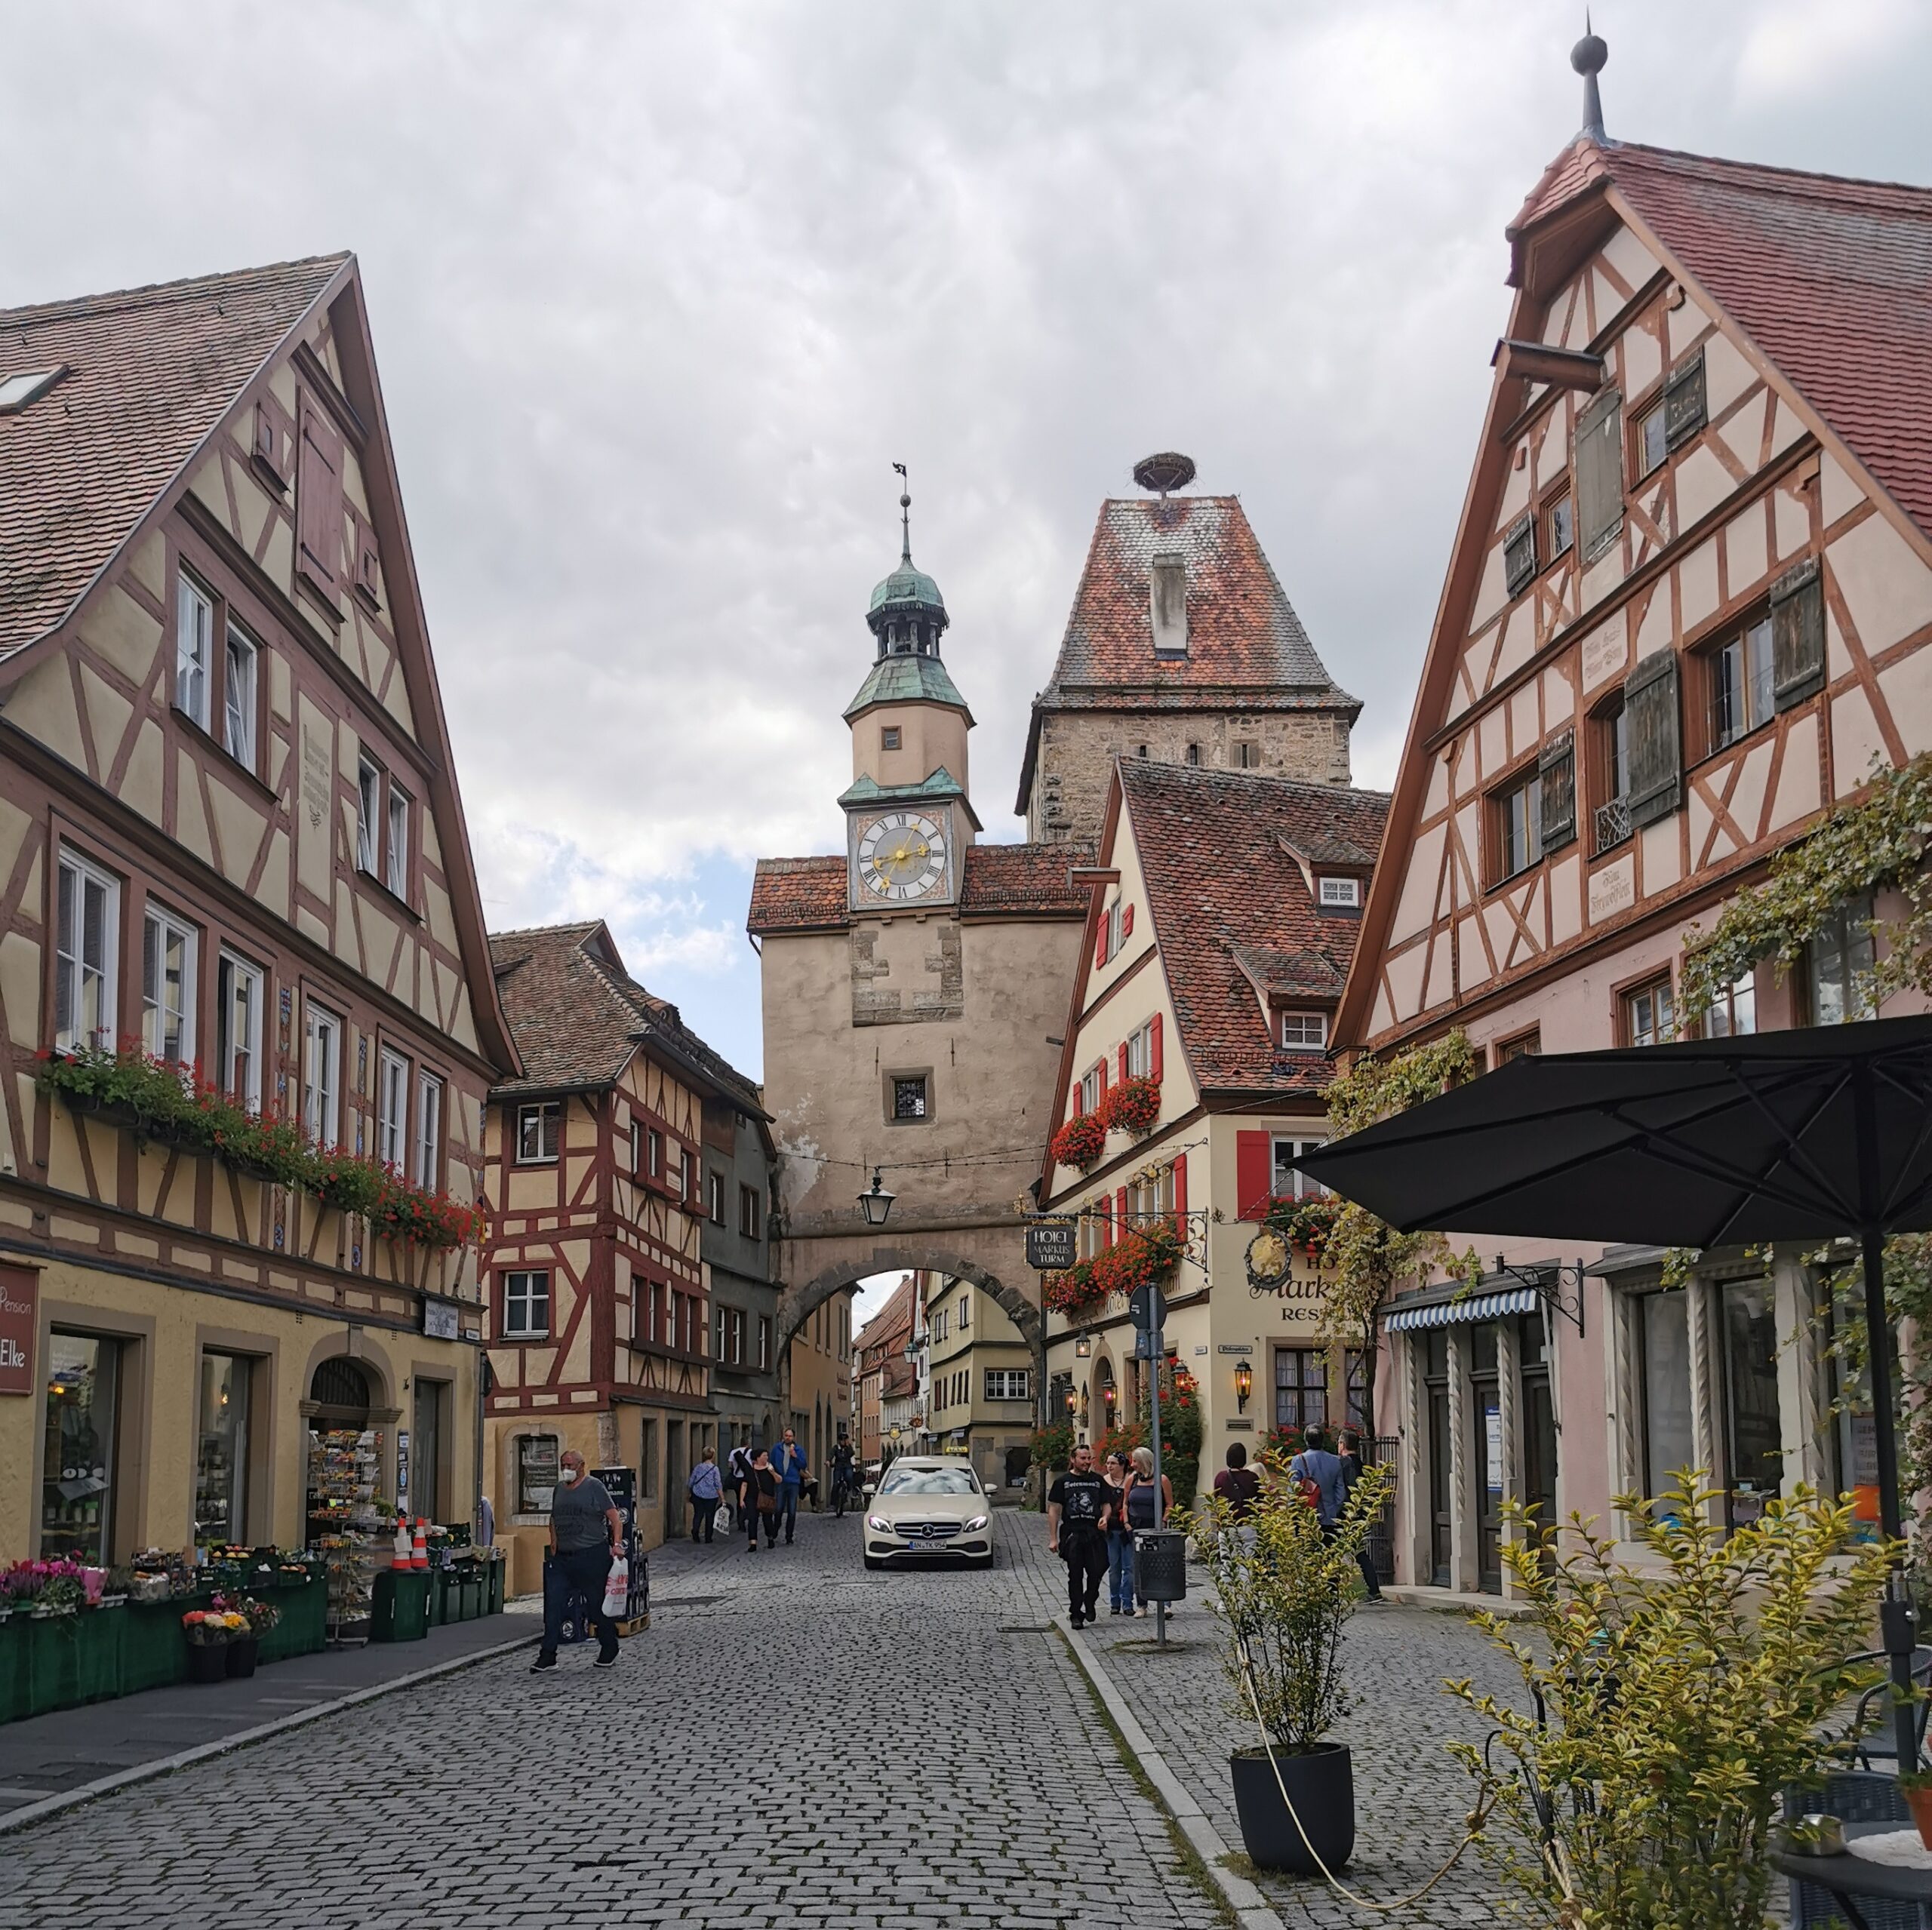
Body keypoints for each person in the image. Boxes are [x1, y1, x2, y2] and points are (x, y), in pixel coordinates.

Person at [531, 1451, 623, 1673]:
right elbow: (553, 1518)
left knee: (596, 1606)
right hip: (563, 1557)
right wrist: (553, 1541)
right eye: (563, 1464)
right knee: (553, 1605)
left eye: (570, 1464)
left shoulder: (594, 1487)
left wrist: (617, 1544)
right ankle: (548, 1655)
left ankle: (609, 1646)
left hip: (591, 1554)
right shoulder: (559, 1489)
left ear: (582, 1466)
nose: (566, 1468)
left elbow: (614, 1518)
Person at [1047, 1442, 1112, 1628]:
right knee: (1075, 1575)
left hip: (1094, 1533)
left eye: (1088, 1458)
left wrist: (1105, 1518)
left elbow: (1106, 1504)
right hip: (1073, 1533)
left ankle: (1090, 1600)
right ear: (1073, 1459)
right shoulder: (1063, 1482)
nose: (1086, 1462)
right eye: (1082, 1458)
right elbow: (1054, 1510)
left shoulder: (1098, 1481)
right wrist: (1053, 1538)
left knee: (1098, 1569)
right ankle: (1076, 1613)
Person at [1336, 1427, 1386, 1602]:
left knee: (1336, 1552)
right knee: (1360, 1553)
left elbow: (1343, 1490)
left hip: (1346, 1515)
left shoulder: (1343, 1464)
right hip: (1360, 1514)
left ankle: (1332, 1591)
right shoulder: (1363, 1465)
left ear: (1342, 1445)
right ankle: (1374, 1589)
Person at [1122, 1446, 1171, 1617]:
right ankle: (1142, 1604)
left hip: (1156, 1528)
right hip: (1136, 1528)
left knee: (1160, 1565)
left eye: (1135, 1461)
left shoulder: (1161, 1480)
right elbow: (1126, 1501)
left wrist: (1164, 1521)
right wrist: (1127, 1523)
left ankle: (1164, 1603)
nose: (1132, 1464)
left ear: (1144, 1462)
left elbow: (1170, 1504)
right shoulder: (1132, 1479)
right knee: (1139, 1567)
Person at [1102, 1452, 1135, 1618]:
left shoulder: (1130, 1480)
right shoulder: (1104, 1482)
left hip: (1127, 1530)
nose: (1109, 1466)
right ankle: (1115, 1603)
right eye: (1108, 1463)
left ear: (1122, 1465)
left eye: (1113, 1463)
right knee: (1114, 1568)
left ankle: (1128, 1602)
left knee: (1129, 1569)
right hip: (1111, 1530)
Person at [769, 1428, 808, 1544]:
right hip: (781, 1482)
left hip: (793, 1483)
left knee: (792, 1511)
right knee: (779, 1509)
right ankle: (775, 1529)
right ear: (783, 1436)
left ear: (794, 1437)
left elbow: (803, 1465)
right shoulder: (777, 1448)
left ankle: (789, 1536)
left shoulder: (799, 1450)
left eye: (790, 1436)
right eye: (786, 1435)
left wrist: (795, 1456)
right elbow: (771, 1463)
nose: (788, 1438)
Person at [1212, 1441, 1262, 1521]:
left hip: (1228, 1523)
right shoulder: (1252, 1477)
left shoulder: (1221, 1477)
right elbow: (1260, 1499)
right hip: (1249, 1523)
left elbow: (1217, 1497)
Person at [745, 1448, 780, 1552]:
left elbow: (779, 1480)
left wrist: (773, 1473)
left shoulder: (770, 1467)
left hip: (767, 1497)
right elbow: (744, 1484)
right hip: (752, 1497)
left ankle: (770, 1538)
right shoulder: (751, 1469)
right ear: (758, 1457)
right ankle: (753, 1543)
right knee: (752, 1519)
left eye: (767, 1455)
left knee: (767, 1520)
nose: (766, 1457)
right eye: (764, 1455)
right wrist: (742, 1499)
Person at [687, 1447, 723, 1543]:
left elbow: (691, 1481)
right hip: (711, 1496)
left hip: (697, 1494)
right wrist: (722, 1498)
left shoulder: (698, 1467)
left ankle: (695, 1532)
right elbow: (718, 1484)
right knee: (709, 1516)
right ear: (713, 1456)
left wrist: (690, 1491)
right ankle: (708, 1537)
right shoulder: (715, 1469)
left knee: (698, 1514)